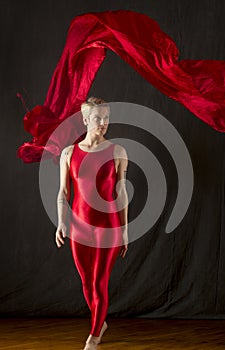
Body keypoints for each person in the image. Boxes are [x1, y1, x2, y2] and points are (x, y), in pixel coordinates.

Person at [55, 97, 129, 350]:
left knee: (100, 282)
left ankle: (94, 337)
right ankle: (101, 322)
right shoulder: (69, 153)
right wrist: (60, 223)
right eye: (98, 118)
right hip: (79, 227)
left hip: (108, 226)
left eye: (107, 117)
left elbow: (121, 193)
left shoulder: (117, 151)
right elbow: (63, 192)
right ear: (85, 120)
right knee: (87, 283)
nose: (103, 122)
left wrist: (126, 230)